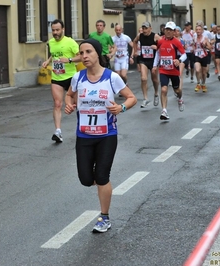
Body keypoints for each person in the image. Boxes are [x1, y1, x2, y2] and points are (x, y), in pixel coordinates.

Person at [64, 39, 137, 233]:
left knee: (102, 176)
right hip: (84, 135)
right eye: (81, 53)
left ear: (97, 54)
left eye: (88, 52)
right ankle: (98, 178)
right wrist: (69, 104)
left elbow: (131, 98)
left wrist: (120, 107)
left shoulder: (111, 77)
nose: (84, 56)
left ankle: (104, 217)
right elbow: (69, 95)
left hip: (107, 135)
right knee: (86, 179)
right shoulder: (78, 78)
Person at [41, 19, 81, 143]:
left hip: (70, 77)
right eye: (53, 30)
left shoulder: (70, 42)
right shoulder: (51, 42)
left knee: (79, 104)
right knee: (57, 104)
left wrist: (69, 60)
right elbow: (54, 54)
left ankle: (83, 128)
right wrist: (48, 61)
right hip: (57, 77)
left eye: (57, 30)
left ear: (63, 29)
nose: (55, 32)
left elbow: (80, 56)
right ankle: (58, 131)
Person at [153, 21, 186, 121]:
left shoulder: (176, 42)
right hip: (163, 70)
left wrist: (179, 60)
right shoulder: (160, 41)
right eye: (167, 29)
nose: (168, 32)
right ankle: (164, 111)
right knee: (163, 89)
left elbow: (184, 54)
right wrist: (155, 65)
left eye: (170, 30)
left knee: (177, 90)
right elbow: (158, 54)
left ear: (174, 32)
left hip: (174, 71)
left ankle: (180, 99)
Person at [132, 22, 161, 108]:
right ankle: (145, 98)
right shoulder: (140, 36)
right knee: (143, 78)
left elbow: (163, 44)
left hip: (153, 61)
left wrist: (157, 47)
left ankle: (156, 93)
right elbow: (134, 41)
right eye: (143, 28)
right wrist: (135, 51)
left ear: (150, 28)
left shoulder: (155, 36)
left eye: (146, 28)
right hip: (143, 59)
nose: (144, 30)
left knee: (154, 79)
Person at [193, 24, 212, 93]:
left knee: (204, 72)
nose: (198, 31)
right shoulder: (194, 38)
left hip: (204, 56)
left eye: (199, 30)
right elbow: (193, 46)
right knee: (197, 70)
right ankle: (198, 83)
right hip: (197, 56)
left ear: (202, 31)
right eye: (197, 30)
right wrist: (193, 49)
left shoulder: (205, 38)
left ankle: (203, 83)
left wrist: (205, 46)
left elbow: (210, 48)